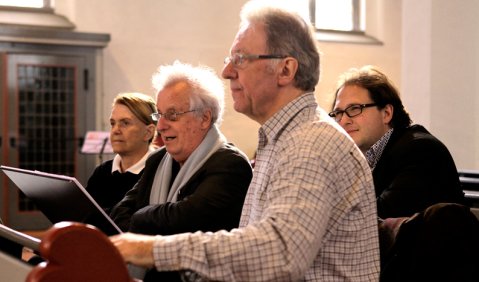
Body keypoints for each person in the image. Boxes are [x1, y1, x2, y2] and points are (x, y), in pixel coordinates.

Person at [111, 2, 380, 281]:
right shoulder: (283, 139)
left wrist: (152, 249)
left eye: (240, 58)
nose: (227, 71)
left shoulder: (311, 144)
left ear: (286, 70)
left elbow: (279, 252)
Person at [109, 61, 253, 281]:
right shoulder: (158, 159)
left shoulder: (230, 165)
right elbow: (121, 210)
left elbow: (185, 219)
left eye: (173, 115)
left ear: (204, 118)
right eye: (159, 115)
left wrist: (140, 223)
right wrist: (145, 221)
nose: (161, 126)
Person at [329, 65, 465, 219]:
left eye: (355, 108)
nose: (344, 120)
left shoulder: (420, 151)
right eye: (338, 112)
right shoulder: (360, 157)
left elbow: (377, 219)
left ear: (386, 113)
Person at [85, 92, 157, 214]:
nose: (115, 130)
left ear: (148, 132)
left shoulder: (159, 172)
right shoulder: (101, 172)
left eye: (125, 123)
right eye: (113, 123)